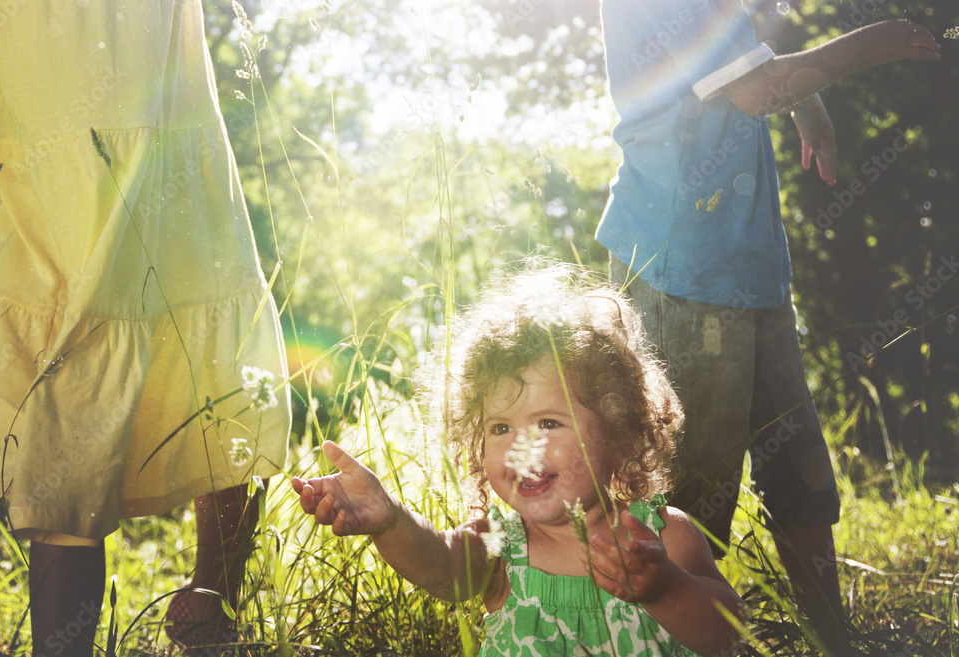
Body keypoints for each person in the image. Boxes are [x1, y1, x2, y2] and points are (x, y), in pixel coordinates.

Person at [595, 1, 941, 652]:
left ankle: (833, 635)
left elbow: (751, 60)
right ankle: (678, 639)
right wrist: (863, 50)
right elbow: (755, 88)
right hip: (682, 270)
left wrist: (809, 106)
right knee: (688, 491)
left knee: (799, 464)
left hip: (749, 263)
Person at [0, 2, 291, 655]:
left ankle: (208, 604)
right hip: (54, 38)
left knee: (165, 273)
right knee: (89, 298)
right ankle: (200, 606)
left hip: (119, 29)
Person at [293, 265, 744, 656]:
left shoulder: (664, 537)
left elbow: (729, 637)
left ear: (619, 433)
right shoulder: (499, 545)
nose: (519, 449)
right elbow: (443, 567)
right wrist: (390, 522)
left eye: (547, 423)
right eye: (500, 428)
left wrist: (664, 587)